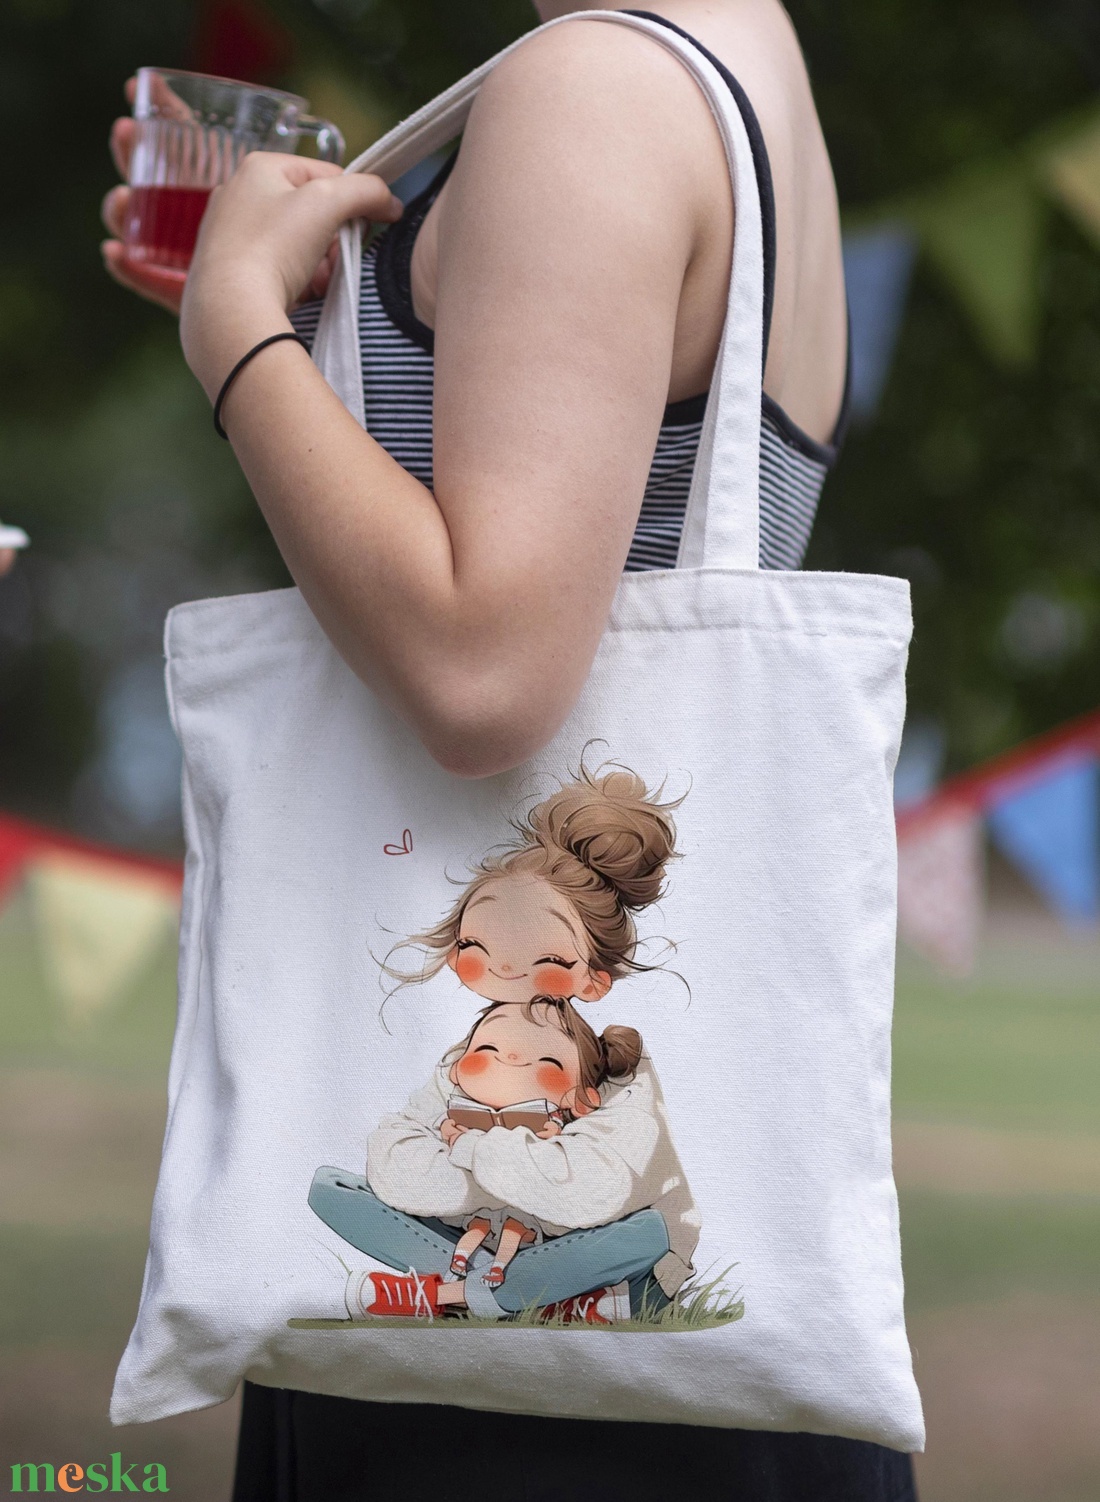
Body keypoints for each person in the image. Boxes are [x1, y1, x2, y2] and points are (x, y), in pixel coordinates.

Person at [101, 0, 918, 1496]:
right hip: (680, 1407)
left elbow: (486, 671)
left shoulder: (591, 89)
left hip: (518, 1430)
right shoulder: (741, 52)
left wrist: (239, 336)